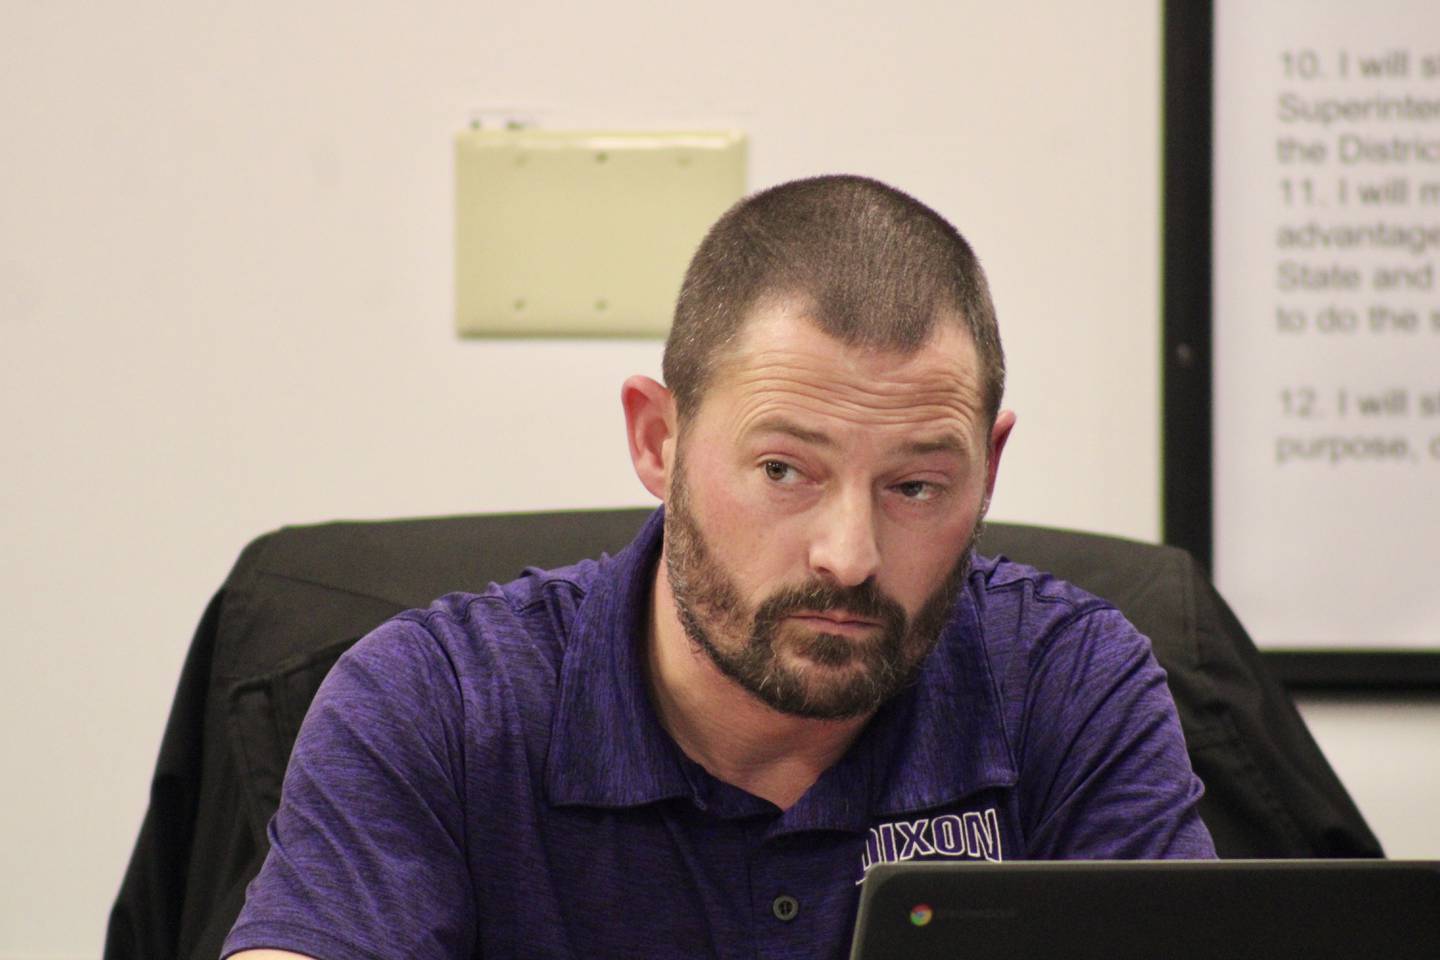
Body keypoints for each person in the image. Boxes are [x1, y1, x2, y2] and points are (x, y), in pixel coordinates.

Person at [223, 175, 1214, 960]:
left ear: (989, 469)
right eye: (785, 470)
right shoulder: (434, 703)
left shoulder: (1069, 687)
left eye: (915, 487)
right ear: (658, 440)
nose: (849, 556)